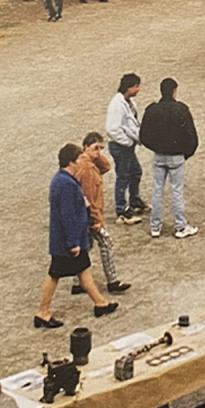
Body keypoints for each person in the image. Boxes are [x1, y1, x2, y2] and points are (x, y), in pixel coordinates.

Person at [36, 143, 118, 329]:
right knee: (57, 274)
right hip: (67, 241)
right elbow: (69, 216)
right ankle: (43, 312)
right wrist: (73, 242)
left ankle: (100, 303)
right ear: (72, 162)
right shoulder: (67, 184)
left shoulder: (62, 180)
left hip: (64, 240)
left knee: (81, 270)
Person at [138, 77, 200, 239]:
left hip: (159, 155)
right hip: (177, 156)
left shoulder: (152, 110)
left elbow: (144, 135)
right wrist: (185, 153)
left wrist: (156, 148)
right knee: (176, 191)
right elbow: (191, 136)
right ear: (174, 91)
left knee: (157, 190)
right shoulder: (181, 109)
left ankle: (155, 226)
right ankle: (180, 226)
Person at [75, 132, 132, 294]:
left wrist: (94, 155)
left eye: (101, 148)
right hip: (91, 215)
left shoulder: (86, 163)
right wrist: (96, 219)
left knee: (86, 246)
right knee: (105, 244)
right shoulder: (86, 168)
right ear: (86, 148)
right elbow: (89, 196)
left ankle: (77, 282)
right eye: (96, 148)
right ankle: (112, 281)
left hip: (86, 215)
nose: (99, 152)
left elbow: (106, 167)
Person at [105, 74, 148, 223]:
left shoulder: (128, 103)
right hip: (120, 146)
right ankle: (122, 210)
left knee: (136, 172)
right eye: (136, 86)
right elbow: (112, 129)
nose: (138, 89)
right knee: (122, 177)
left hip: (126, 146)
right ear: (129, 87)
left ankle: (135, 200)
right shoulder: (117, 105)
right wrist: (128, 142)